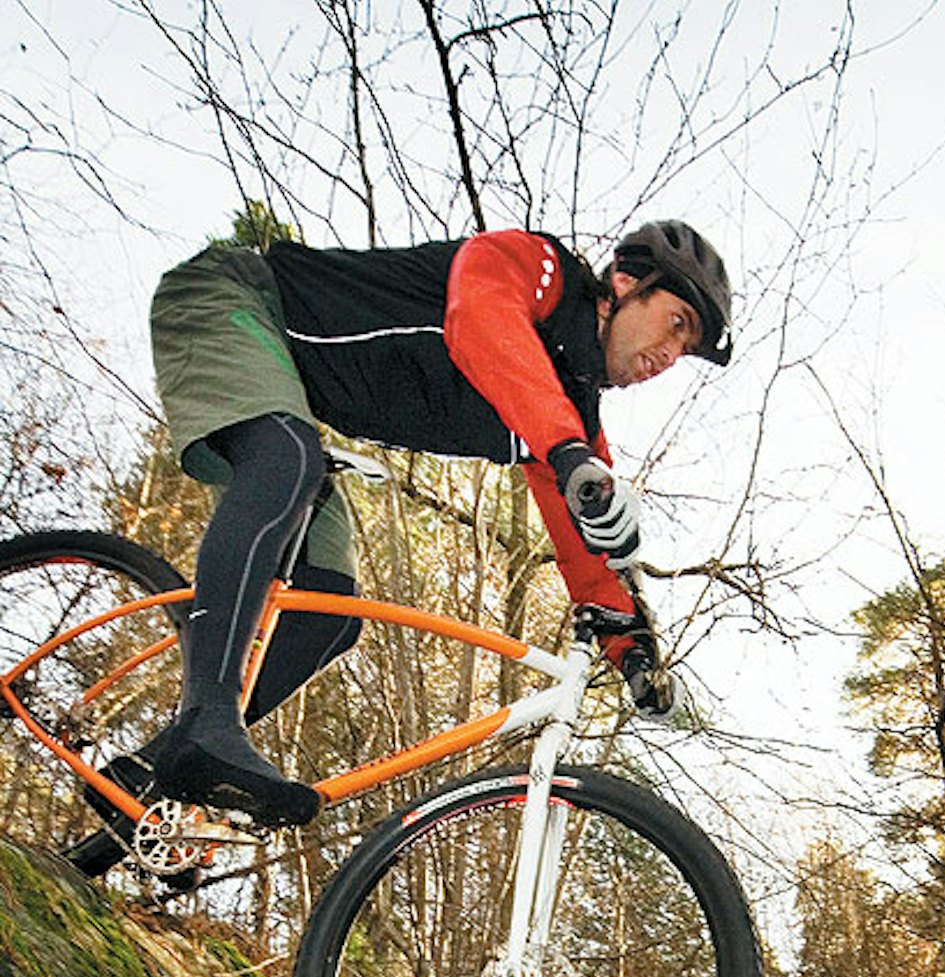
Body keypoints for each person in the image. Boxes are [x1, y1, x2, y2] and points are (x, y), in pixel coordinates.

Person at [73, 217, 733, 869]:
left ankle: (146, 777)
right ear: (625, 283)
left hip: (294, 392)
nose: (671, 357)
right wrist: (565, 450)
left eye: (689, 349)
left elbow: (591, 555)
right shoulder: (539, 269)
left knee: (328, 615)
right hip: (239, 300)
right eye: (676, 324)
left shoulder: (569, 413)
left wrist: (635, 652)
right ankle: (206, 723)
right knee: (285, 462)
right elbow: (482, 321)